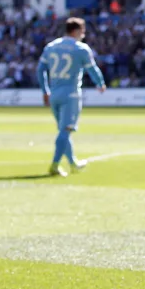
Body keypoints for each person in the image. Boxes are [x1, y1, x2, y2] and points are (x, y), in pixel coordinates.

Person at [36, 17, 106, 177]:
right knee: (65, 131)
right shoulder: (80, 48)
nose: (83, 35)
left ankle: (73, 163)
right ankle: (54, 165)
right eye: (82, 31)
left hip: (54, 94)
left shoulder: (51, 47)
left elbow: (40, 70)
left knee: (63, 131)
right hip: (71, 95)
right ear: (75, 31)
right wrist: (100, 83)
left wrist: (44, 90)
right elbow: (92, 69)